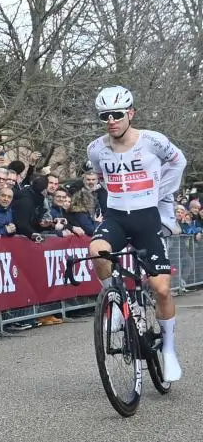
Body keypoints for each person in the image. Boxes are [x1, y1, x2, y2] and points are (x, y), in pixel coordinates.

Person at [87, 86, 187, 381]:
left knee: (162, 289)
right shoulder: (96, 148)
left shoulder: (153, 141)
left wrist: (160, 192)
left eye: (117, 114)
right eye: (104, 116)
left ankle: (168, 349)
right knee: (96, 251)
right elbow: (102, 177)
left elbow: (178, 162)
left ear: (131, 113)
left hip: (147, 218)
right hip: (117, 217)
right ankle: (115, 307)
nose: (111, 120)